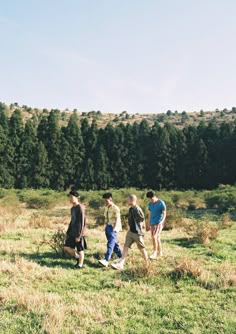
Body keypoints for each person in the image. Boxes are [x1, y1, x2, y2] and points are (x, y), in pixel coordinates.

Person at [111, 194, 148, 270]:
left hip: (137, 233)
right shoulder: (131, 209)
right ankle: (121, 264)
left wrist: (141, 232)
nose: (127, 201)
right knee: (125, 247)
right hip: (131, 232)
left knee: (142, 249)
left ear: (132, 200)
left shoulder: (137, 209)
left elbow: (142, 220)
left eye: (128, 199)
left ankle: (147, 264)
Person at [64, 190, 87, 269]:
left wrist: (79, 235)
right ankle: (78, 258)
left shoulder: (80, 207)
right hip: (72, 232)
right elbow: (72, 221)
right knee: (66, 247)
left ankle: (80, 265)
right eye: (69, 197)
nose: (70, 199)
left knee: (80, 249)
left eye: (71, 197)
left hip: (79, 232)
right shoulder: (72, 208)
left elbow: (82, 222)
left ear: (77, 197)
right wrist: (68, 232)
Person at [99, 192, 122, 267]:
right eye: (104, 201)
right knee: (114, 244)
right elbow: (106, 218)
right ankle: (120, 256)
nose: (105, 202)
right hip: (108, 227)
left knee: (110, 244)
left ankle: (106, 259)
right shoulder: (106, 207)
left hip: (113, 228)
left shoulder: (115, 208)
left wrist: (114, 229)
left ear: (110, 199)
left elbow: (117, 219)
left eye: (106, 201)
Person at [146, 190, 166, 259]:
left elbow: (164, 213)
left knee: (154, 237)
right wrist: (148, 223)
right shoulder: (150, 204)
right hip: (152, 223)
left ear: (154, 197)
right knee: (156, 238)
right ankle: (160, 252)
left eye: (151, 199)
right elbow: (149, 214)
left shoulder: (161, 203)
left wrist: (162, 221)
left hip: (158, 223)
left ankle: (154, 252)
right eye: (149, 199)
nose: (150, 200)